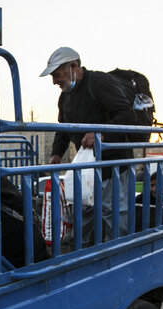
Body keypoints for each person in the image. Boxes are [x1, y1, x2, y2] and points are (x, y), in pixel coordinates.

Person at [40, 47, 136, 243]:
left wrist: (101, 133)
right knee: (83, 213)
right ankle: (82, 257)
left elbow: (127, 114)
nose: (54, 81)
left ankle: (117, 256)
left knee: (114, 215)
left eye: (57, 75)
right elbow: (63, 127)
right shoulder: (65, 96)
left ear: (73, 67)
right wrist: (56, 153)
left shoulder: (99, 83)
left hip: (113, 165)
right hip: (87, 169)